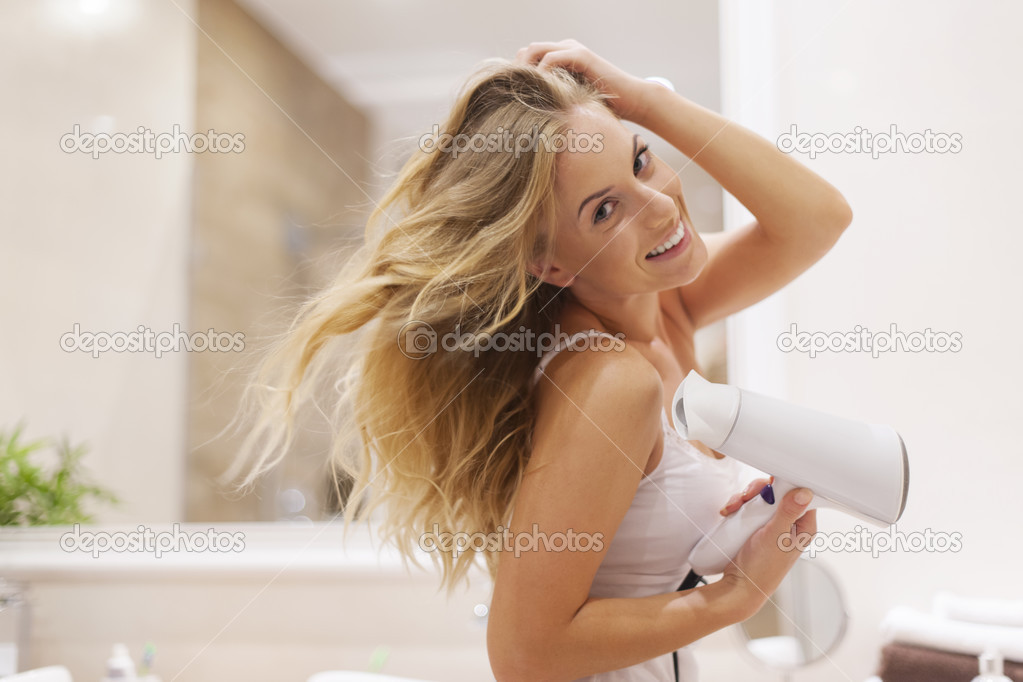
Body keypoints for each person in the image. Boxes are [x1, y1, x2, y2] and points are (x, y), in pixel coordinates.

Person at [225, 39, 849, 681]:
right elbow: (524, 656)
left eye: (641, 160)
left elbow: (817, 219)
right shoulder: (611, 380)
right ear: (548, 262)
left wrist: (645, 101)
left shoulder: (664, 308)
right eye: (605, 209)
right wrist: (735, 597)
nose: (660, 205)